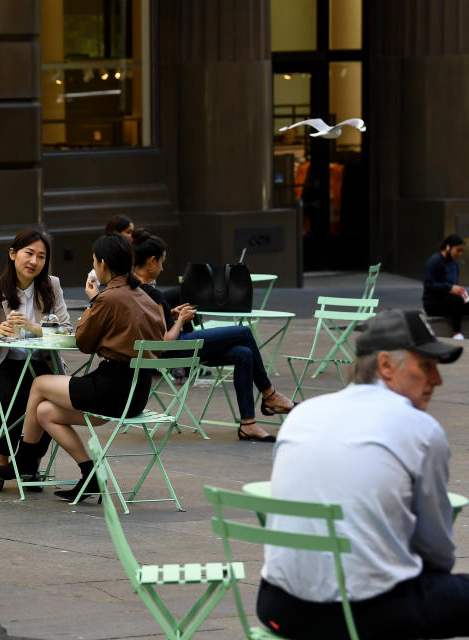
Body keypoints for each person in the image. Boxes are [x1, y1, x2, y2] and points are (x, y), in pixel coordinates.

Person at [258, 309, 468, 640]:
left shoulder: (302, 414)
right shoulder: (420, 429)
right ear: (385, 365)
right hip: (364, 614)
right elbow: (437, 552)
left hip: (279, 607)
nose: (437, 379)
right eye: (426, 366)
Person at [0, 234, 166, 501]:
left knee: (39, 384)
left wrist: (94, 301)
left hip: (111, 389)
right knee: (44, 411)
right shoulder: (143, 295)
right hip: (136, 393)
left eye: (93, 260)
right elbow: (160, 340)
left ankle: (25, 462)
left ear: (102, 264)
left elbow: (83, 342)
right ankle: (90, 474)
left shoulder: (109, 297)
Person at [132, 234, 295, 442]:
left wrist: (171, 314)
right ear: (152, 261)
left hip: (165, 349)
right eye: (162, 262)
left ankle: (248, 424)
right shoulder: (150, 292)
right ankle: (270, 395)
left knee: (243, 354)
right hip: (176, 348)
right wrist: (181, 320)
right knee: (244, 333)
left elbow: (154, 326)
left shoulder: (135, 288)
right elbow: (166, 340)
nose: (163, 268)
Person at [0, 229, 72, 492]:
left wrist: (34, 327)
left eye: (41, 256)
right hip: (0, 364)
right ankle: (2, 460)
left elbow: (66, 331)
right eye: (29, 253)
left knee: (51, 404)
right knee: (16, 400)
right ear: (13, 254)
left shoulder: (52, 285)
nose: (34, 261)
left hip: (42, 365)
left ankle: (32, 464)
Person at [422, 233, 469, 339]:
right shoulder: (434, 260)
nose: (460, 254)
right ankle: (457, 333)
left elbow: (454, 284)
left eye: (462, 251)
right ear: (448, 247)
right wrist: (449, 288)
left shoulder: (454, 263)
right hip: (433, 303)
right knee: (456, 300)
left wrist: (459, 291)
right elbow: (429, 285)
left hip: (448, 299)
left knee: (464, 300)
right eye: (458, 250)